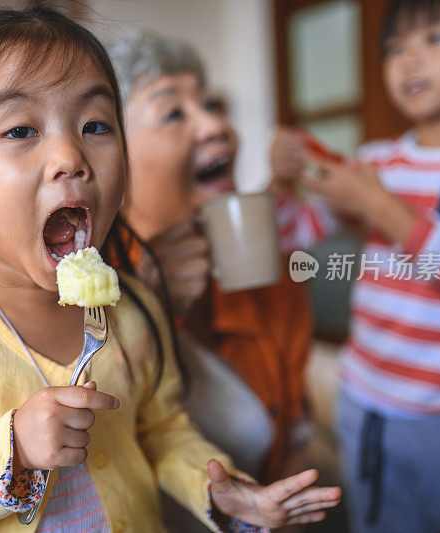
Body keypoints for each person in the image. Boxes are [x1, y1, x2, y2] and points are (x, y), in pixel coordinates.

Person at [0, 8, 341, 533]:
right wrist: (11, 449)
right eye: (20, 130)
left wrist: (214, 487)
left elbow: (161, 429)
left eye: (96, 125)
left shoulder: (133, 308)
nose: (70, 156)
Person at [270, 1, 440, 531]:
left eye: (435, 39)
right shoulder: (378, 160)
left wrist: (381, 208)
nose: (408, 61)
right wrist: (285, 184)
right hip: (367, 403)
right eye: (395, 48)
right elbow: (293, 234)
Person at [105, 30, 316, 484]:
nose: (217, 126)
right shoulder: (78, 290)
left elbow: (296, 435)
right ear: (110, 160)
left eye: (212, 105)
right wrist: (149, 309)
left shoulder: (271, 274)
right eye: (173, 112)